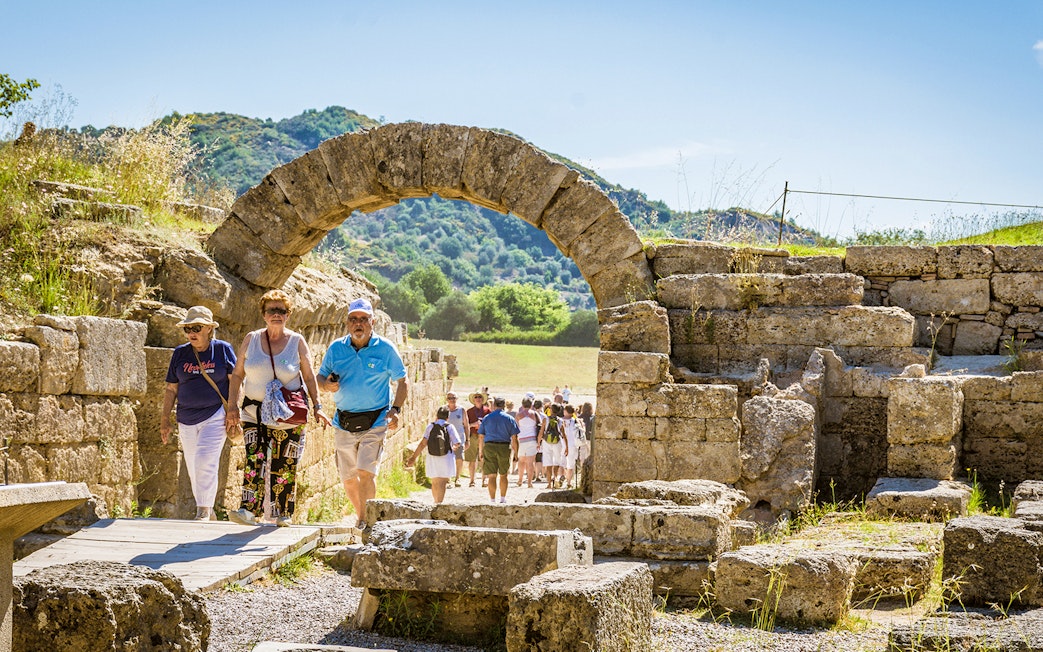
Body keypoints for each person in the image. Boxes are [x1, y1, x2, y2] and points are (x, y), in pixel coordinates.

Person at [227, 291, 329, 527]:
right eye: (272, 310)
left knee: (285, 461)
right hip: (254, 411)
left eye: (281, 311)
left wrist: (318, 406)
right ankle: (249, 510)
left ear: (288, 315)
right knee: (255, 459)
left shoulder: (296, 341)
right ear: (263, 314)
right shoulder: (251, 339)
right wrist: (232, 406)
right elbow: (237, 374)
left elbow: (309, 376)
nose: (276, 315)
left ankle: (283, 513)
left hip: (287, 414)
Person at [318, 297, 408, 531]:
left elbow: (402, 381)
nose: (358, 324)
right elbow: (320, 378)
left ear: (372, 322)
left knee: (365, 472)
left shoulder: (386, 349)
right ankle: (361, 515)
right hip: (343, 419)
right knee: (348, 478)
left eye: (363, 319)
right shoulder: (336, 348)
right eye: (353, 319)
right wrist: (326, 386)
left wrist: (395, 410)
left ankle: (367, 523)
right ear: (347, 323)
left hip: (375, 420)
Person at [161, 306, 237, 521]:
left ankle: (202, 510)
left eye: (197, 327)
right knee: (194, 465)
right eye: (188, 328)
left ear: (209, 329)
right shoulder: (180, 353)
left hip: (214, 414)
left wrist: (233, 408)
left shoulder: (222, 350)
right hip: (185, 418)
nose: (191, 332)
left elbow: (235, 381)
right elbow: (171, 388)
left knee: (205, 460)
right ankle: (209, 510)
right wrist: (164, 419)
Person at [405, 406, 464, 504]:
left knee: (435, 481)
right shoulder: (449, 427)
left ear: (437, 416)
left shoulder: (430, 426)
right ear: (447, 417)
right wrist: (453, 448)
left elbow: (423, 443)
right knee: (442, 482)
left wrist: (414, 457)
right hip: (446, 457)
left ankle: (435, 501)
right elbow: (457, 442)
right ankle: (439, 503)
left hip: (432, 457)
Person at [478, 396, 519, 503]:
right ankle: (503, 498)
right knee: (503, 474)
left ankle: (492, 499)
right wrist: (516, 453)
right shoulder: (509, 418)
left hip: (490, 446)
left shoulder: (487, 418)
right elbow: (514, 438)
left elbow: (481, 436)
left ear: (494, 405)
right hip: (504, 446)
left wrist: (481, 451)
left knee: (491, 475)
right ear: (504, 406)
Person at [515, 397, 543, 488]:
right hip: (532, 439)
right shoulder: (535, 414)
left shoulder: (518, 415)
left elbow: (516, 428)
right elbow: (540, 427)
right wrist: (539, 442)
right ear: (531, 405)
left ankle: (520, 480)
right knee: (530, 462)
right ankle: (529, 482)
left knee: (521, 461)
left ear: (522, 405)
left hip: (522, 439)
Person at [444, 392, 470, 487]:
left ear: (457, 398)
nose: (452, 399)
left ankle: (457, 478)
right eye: (450, 398)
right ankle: (448, 479)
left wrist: (468, 440)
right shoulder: (444, 409)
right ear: (447, 399)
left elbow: (466, 426)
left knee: (459, 458)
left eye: (453, 397)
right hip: (447, 438)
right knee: (447, 458)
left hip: (459, 438)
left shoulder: (461, 410)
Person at [464, 391, 488, 487]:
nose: (478, 398)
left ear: (482, 399)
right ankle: (472, 480)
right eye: (476, 397)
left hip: (484, 436)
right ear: (473, 400)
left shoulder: (487, 411)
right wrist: (473, 425)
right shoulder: (469, 412)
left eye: (479, 397)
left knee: (484, 458)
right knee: (472, 459)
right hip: (473, 436)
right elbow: (465, 425)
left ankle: (484, 479)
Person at [542, 403, 569, 488]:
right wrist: (567, 447)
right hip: (557, 442)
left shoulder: (545, 419)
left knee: (548, 462)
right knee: (557, 461)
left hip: (546, 442)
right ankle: (555, 477)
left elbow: (541, 432)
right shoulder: (561, 421)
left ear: (550, 409)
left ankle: (549, 483)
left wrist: (539, 442)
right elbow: (564, 435)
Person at [561, 404, 583, 489]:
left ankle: (562, 477)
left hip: (562, 444)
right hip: (573, 445)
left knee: (562, 463)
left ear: (565, 411)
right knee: (571, 464)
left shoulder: (560, 420)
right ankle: (569, 481)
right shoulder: (576, 421)